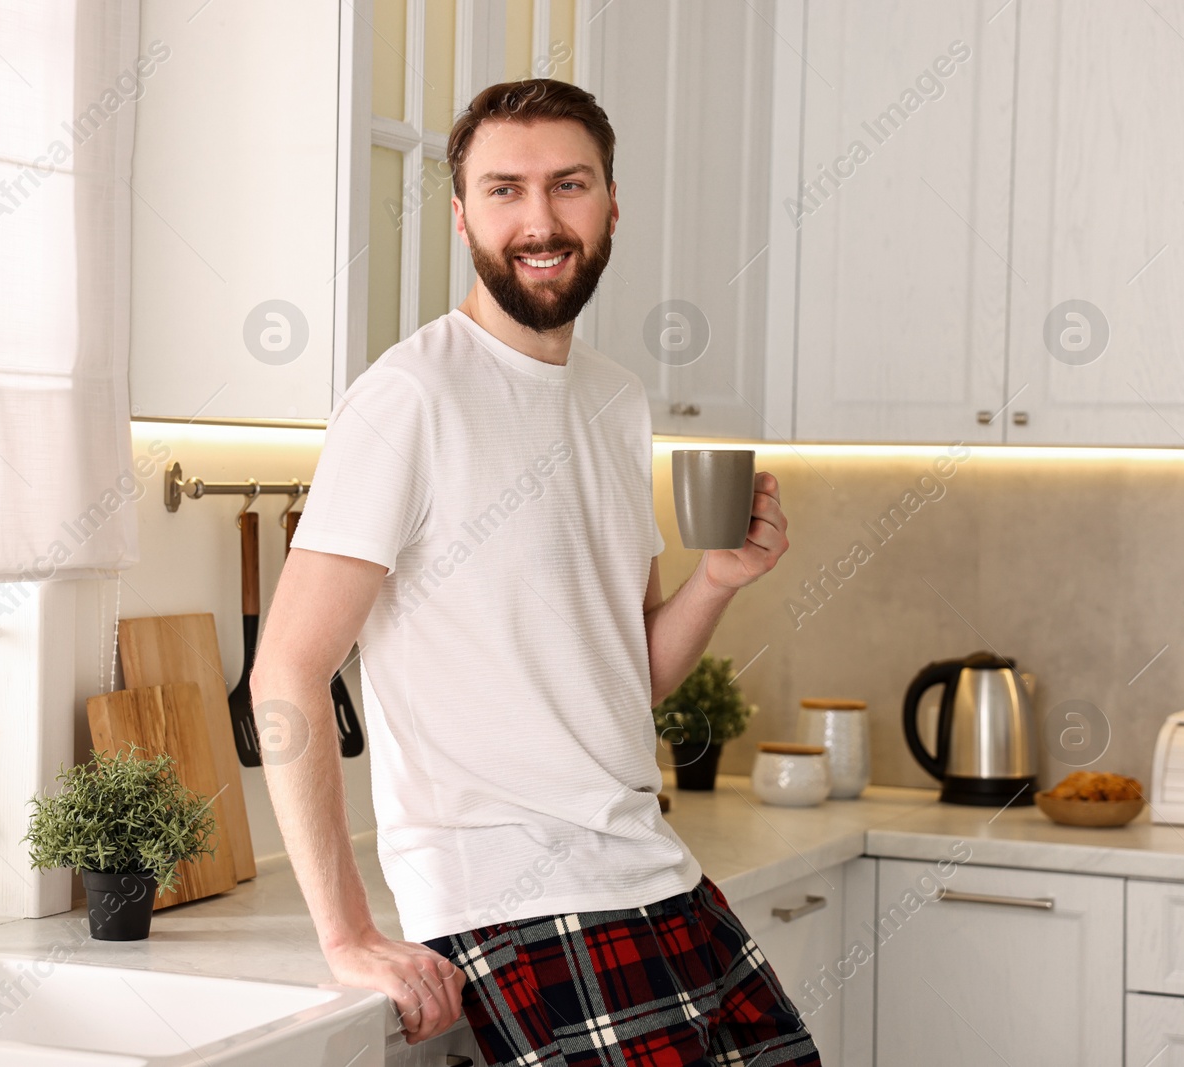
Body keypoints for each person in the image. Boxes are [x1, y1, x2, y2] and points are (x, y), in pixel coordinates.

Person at [251, 78, 818, 1066]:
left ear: (609, 206)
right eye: (505, 189)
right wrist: (346, 934)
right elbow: (285, 672)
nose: (540, 219)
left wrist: (718, 577)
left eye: (568, 184)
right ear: (462, 213)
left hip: (653, 872)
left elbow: (625, 673)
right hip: (509, 898)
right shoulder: (409, 400)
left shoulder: (613, 398)